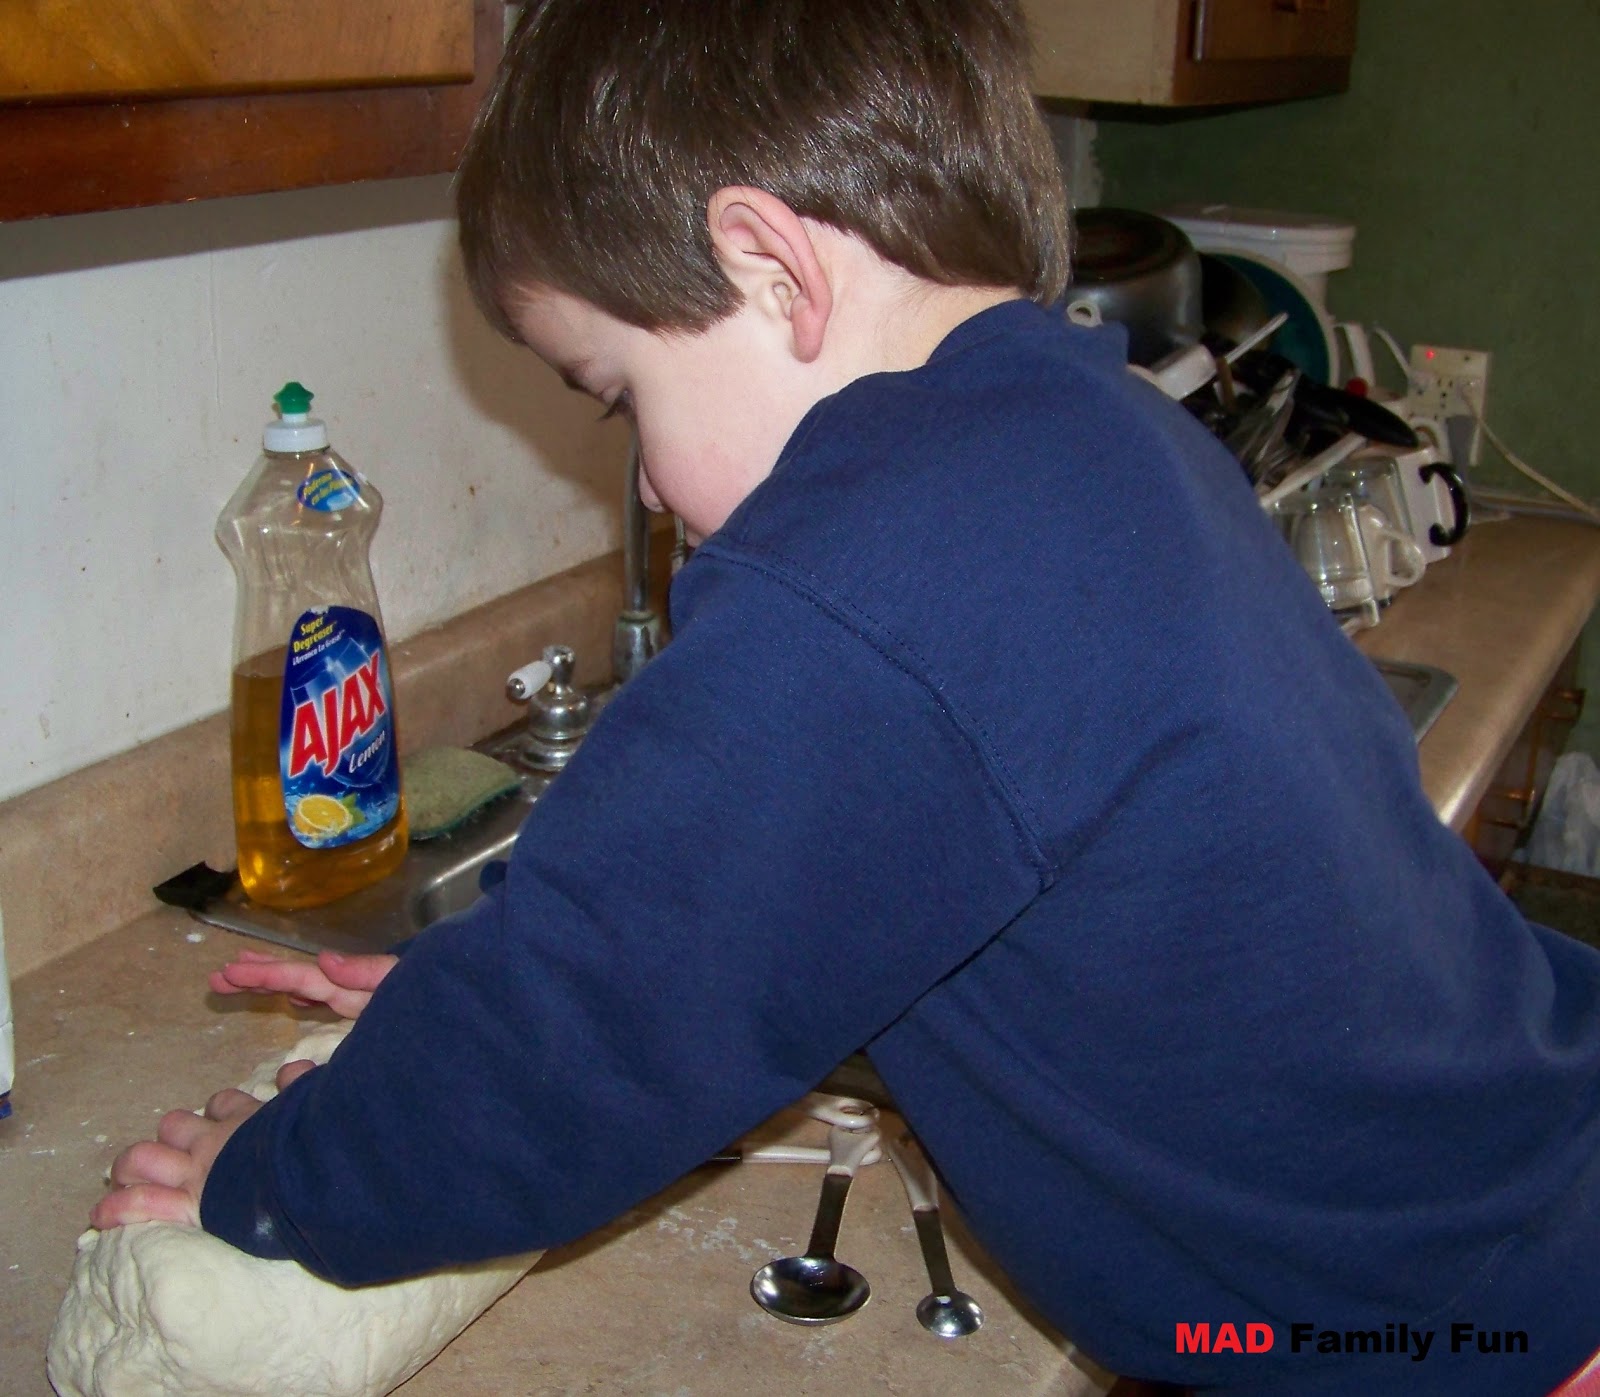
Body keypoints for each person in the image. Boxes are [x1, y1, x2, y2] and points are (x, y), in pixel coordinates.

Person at [93, 2, 1600, 1393]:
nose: (650, 483)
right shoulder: (1093, 428)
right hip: (1519, 1195)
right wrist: (480, 979)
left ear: (774, 267)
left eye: (619, 394)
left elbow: (594, 1024)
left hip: (1438, 1332)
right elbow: (856, 900)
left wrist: (277, 1170)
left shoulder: (867, 566)